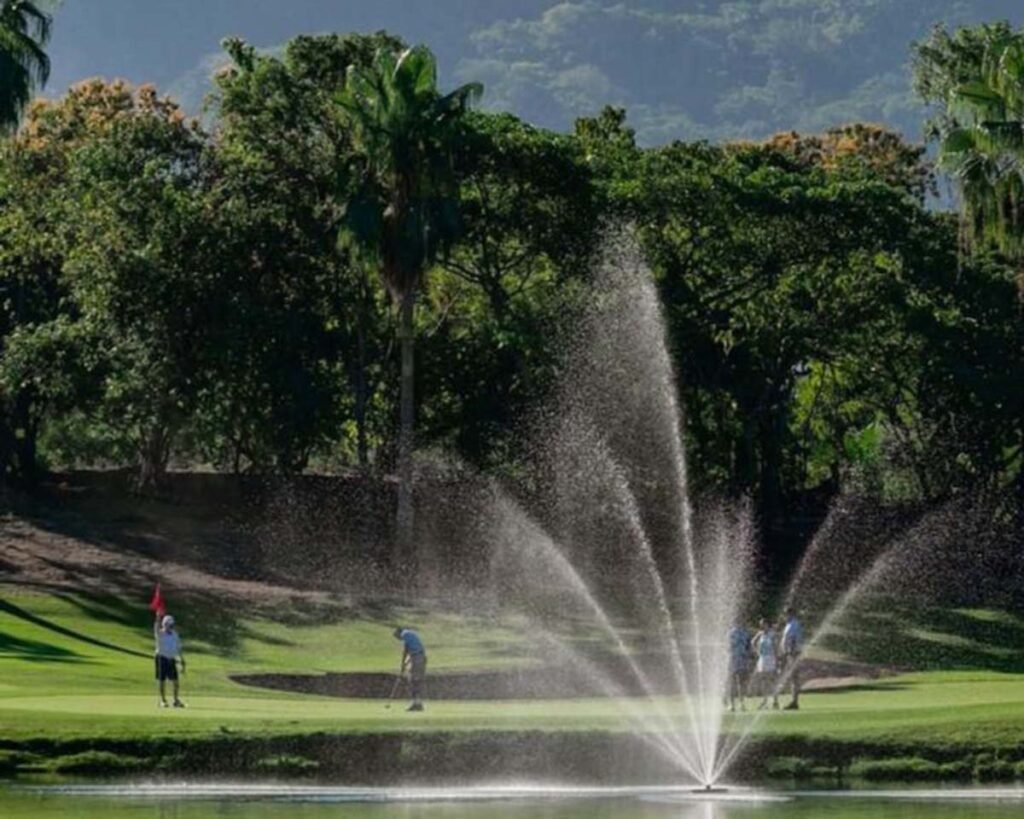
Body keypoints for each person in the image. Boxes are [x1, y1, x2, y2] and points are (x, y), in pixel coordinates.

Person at [154, 613, 186, 708]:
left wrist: (182, 660)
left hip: (171, 659)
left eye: (172, 625)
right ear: (165, 624)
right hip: (161, 658)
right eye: (169, 625)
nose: (171, 626)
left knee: (175, 681)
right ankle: (163, 701)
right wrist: (157, 618)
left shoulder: (175, 635)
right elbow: (155, 628)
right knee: (162, 681)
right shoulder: (160, 633)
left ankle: (176, 700)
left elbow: (178, 648)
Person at [393, 626, 427, 712]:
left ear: (399, 633)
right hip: (419, 658)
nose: (398, 639)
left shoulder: (406, 635)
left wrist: (403, 665)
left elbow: (406, 651)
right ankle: (417, 703)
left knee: (414, 681)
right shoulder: (410, 635)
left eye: (397, 637)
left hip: (418, 659)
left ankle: (417, 704)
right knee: (415, 681)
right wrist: (404, 664)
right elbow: (409, 652)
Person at [752, 617, 779, 710]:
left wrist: (777, 660)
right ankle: (765, 701)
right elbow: (752, 642)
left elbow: (776, 647)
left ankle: (775, 701)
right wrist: (757, 652)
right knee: (763, 680)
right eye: (761, 624)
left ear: (767, 624)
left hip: (771, 658)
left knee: (772, 680)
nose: (762, 626)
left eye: (763, 624)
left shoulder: (772, 634)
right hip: (763, 658)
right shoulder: (761, 634)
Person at [780, 607, 804, 710]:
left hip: (793, 654)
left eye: (786, 614)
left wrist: (791, 653)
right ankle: (793, 701)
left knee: (794, 677)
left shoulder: (795, 624)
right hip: (788, 654)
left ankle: (794, 702)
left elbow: (794, 639)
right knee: (792, 678)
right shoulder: (788, 625)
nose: (785, 616)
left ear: (791, 614)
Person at [726, 621, 752, 712]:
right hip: (740, 659)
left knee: (734, 683)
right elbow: (749, 647)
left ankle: (734, 705)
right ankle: (739, 704)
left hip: (735, 659)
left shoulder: (732, 633)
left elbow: (728, 647)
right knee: (739, 683)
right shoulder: (743, 633)